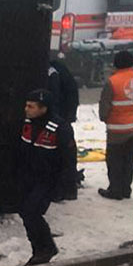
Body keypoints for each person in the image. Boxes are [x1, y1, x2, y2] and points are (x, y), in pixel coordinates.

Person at [16, 89, 74, 266]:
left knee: (31, 212)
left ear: (43, 108)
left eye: (31, 106)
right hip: (29, 178)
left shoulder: (60, 128)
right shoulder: (27, 123)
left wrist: (65, 186)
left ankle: (44, 249)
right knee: (26, 212)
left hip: (48, 180)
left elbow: (69, 159)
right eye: (26, 105)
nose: (26, 109)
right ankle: (41, 248)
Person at [97, 51, 133, 200]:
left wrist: (105, 119)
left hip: (117, 129)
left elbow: (104, 107)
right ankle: (126, 189)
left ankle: (115, 190)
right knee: (129, 160)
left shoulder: (112, 82)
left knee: (115, 160)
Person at [46, 58, 81, 201]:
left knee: (58, 155)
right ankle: (69, 189)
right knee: (67, 155)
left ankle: (59, 190)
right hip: (64, 119)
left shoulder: (51, 72)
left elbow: (53, 99)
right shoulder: (59, 69)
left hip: (57, 119)